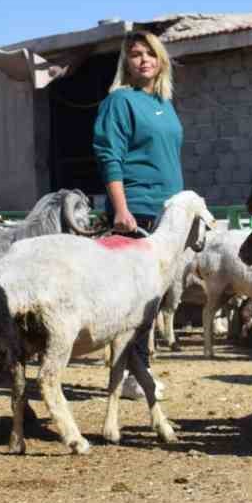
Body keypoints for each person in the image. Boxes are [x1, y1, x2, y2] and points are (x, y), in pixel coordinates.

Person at [92, 30, 184, 398]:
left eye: (150, 53)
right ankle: (134, 374)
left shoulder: (164, 103)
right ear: (126, 63)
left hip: (168, 211)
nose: (144, 59)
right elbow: (109, 155)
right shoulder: (120, 101)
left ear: (161, 60)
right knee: (136, 302)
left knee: (154, 300)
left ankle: (136, 369)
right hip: (137, 211)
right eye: (135, 54)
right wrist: (121, 209)